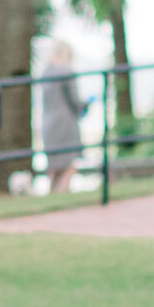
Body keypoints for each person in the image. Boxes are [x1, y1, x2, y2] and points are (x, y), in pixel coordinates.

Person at [39, 40, 94, 195]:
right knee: (70, 164)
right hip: (65, 122)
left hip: (48, 123)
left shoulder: (45, 72)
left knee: (55, 167)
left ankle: (52, 195)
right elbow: (74, 101)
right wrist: (87, 104)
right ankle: (63, 193)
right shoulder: (67, 72)